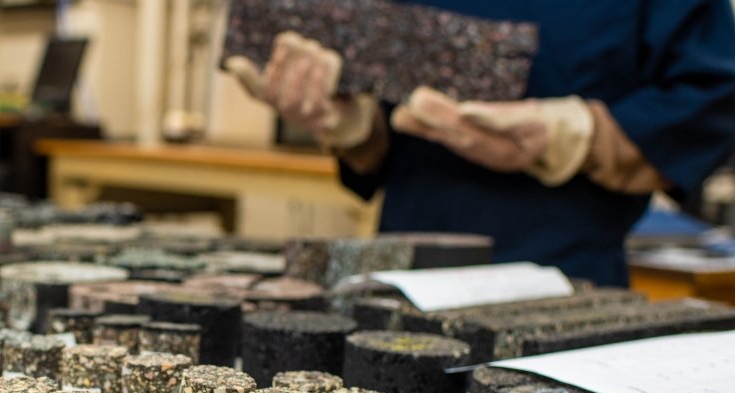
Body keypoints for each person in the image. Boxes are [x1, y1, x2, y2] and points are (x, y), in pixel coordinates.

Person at [226, 0, 735, 286]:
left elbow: (713, 93)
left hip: (563, 280)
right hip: (400, 270)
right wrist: (352, 128)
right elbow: (384, 124)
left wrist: (571, 136)